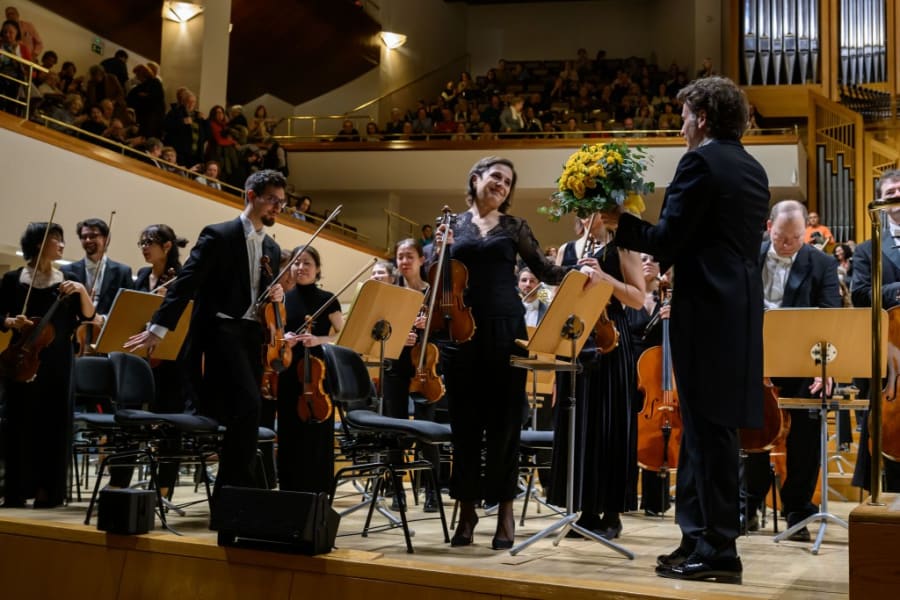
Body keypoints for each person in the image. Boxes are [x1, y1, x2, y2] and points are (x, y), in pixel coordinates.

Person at [610, 76, 770, 584]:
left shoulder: (700, 162)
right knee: (707, 430)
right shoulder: (753, 168)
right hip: (739, 310)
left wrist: (619, 221)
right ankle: (697, 538)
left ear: (702, 117)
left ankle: (719, 548)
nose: (681, 128)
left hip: (706, 310)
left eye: (684, 118)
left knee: (708, 432)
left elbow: (667, 241)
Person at [437, 156, 597, 550]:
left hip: (506, 329)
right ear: (476, 178)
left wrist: (578, 270)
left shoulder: (515, 227)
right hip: (461, 332)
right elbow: (436, 279)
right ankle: (467, 510)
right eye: (496, 176)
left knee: (505, 425)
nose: (501, 185)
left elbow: (545, 270)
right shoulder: (453, 225)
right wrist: (436, 250)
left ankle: (505, 510)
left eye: (508, 181)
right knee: (464, 427)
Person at [124, 170, 286, 504]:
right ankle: (234, 497)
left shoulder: (271, 245)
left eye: (282, 203)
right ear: (251, 195)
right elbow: (186, 282)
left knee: (247, 415)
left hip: (251, 337)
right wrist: (158, 328)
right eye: (272, 200)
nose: (278, 208)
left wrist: (277, 293)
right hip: (220, 333)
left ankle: (230, 498)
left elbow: (261, 292)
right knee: (249, 405)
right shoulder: (219, 235)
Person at [742, 200, 841, 542]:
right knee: (751, 431)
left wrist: (825, 369)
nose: (788, 244)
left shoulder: (822, 263)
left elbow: (830, 315)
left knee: (805, 436)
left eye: (797, 238)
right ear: (769, 228)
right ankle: (748, 504)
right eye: (782, 237)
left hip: (804, 361)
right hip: (755, 359)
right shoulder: (748, 255)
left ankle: (797, 509)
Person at [547, 211, 645, 540]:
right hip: (576, 337)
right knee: (579, 424)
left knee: (610, 422)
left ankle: (612, 512)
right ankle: (584, 510)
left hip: (611, 340)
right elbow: (557, 297)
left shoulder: (623, 248)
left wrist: (605, 279)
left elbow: (638, 298)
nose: (590, 213)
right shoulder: (567, 250)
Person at [1, 222, 93, 508]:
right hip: (21, 357)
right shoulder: (13, 279)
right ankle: (15, 490)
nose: (62, 245)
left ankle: (47, 490)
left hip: (57, 361)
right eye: (56, 239)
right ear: (39, 243)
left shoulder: (69, 279)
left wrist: (81, 290)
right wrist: (11, 321)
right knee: (18, 421)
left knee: (53, 422)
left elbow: (88, 316)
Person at [108, 224, 193, 497]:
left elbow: (187, 319)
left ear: (167, 247)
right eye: (142, 243)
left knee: (169, 423)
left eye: (149, 243)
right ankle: (119, 482)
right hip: (140, 359)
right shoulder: (143, 275)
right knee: (129, 420)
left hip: (170, 362)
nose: (144, 248)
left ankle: (164, 487)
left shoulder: (182, 277)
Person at [380, 238, 443, 512]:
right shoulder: (391, 294)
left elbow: (446, 334)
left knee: (427, 430)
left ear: (421, 260)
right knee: (394, 429)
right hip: (396, 367)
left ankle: (432, 492)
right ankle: (397, 492)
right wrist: (396, 336)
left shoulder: (433, 293)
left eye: (409, 256)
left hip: (426, 369)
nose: (404, 261)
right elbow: (379, 331)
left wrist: (430, 325)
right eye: (400, 257)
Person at [849, 169, 900, 494]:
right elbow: (860, 294)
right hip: (890, 355)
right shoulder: (867, 249)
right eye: (890, 191)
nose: (897, 195)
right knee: (887, 436)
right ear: (881, 201)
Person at [277, 246, 343, 494]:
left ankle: (319, 492)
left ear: (317, 269)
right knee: (290, 432)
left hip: (319, 375)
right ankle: (290, 491)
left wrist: (318, 340)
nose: (301, 267)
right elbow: (273, 334)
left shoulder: (328, 299)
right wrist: (285, 338)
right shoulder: (282, 298)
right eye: (296, 263)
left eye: (307, 263)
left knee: (317, 434)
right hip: (289, 372)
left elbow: (343, 337)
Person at [625, 254, 672, 517]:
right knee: (627, 432)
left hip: (657, 375)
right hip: (627, 369)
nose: (648, 262)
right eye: (642, 258)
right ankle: (625, 496)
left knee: (658, 432)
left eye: (654, 259)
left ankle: (656, 500)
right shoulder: (627, 296)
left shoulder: (668, 299)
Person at [61, 217, 134, 323]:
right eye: (84, 237)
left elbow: (127, 307)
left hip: (106, 329)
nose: (87, 240)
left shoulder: (123, 272)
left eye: (93, 236)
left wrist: (102, 320)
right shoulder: (67, 270)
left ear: (106, 239)